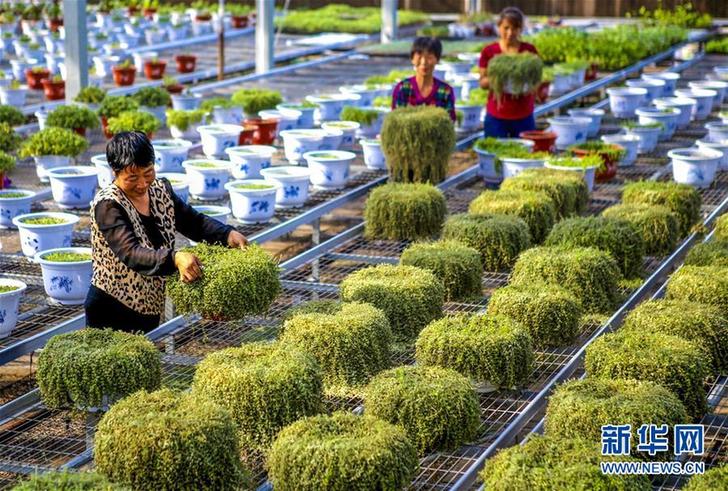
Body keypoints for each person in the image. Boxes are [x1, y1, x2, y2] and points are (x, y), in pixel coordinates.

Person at [85, 131, 248, 333]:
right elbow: (131, 252)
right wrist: (175, 258)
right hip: (112, 307)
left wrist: (226, 234)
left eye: (148, 173)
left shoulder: (160, 190)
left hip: (149, 304)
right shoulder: (108, 205)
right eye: (132, 178)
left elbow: (193, 222)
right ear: (114, 172)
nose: (142, 184)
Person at [479, 7, 540, 138]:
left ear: (521, 29)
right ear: (499, 27)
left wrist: (526, 86)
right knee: (494, 154)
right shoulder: (489, 52)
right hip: (496, 116)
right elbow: (482, 83)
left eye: (515, 28)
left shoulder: (529, 52)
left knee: (523, 154)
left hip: (523, 116)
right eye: (506, 28)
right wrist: (499, 79)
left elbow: (536, 82)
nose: (510, 32)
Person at [391, 36, 457, 122]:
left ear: (437, 59)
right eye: (419, 57)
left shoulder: (445, 91)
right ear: (412, 59)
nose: (424, 62)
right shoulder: (403, 88)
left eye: (429, 57)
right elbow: (396, 121)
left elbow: (449, 123)